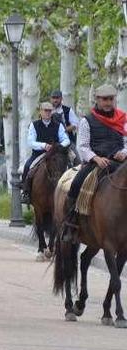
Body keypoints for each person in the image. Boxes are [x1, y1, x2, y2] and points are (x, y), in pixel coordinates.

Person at [61, 84, 127, 242]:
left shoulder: (123, 118)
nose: (108, 102)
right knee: (77, 183)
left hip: (119, 162)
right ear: (97, 99)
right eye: (104, 99)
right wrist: (96, 158)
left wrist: (123, 152)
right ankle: (71, 223)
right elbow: (82, 146)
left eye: (111, 99)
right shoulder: (86, 120)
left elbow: (126, 142)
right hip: (96, 162)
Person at [20, 102, 70, 204]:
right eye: (45, 110)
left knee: (73, 165)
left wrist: (58, 146)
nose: (48, 113)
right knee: (27, 166)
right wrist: (43, 146)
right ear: (41, 111)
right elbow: (30, 142)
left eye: (49, 111)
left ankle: (71, 193)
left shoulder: (58, 125)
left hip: (56, 153)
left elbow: (66, 140)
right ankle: (26, 192)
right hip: (39, 154)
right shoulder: (34, 125)